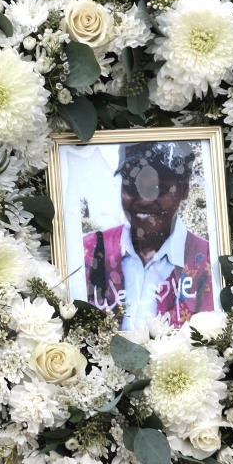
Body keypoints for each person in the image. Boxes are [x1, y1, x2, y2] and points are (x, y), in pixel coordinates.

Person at [84, 140, 214, 328]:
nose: (144, 200)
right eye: (132, 185)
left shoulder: (208, 261)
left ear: (184, 189)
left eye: (159, 187)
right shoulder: (88, 252)